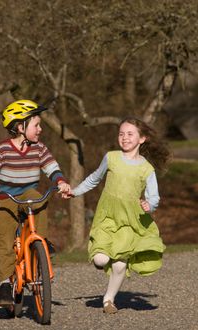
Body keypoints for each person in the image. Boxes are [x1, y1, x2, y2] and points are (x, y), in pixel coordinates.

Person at [71, 117, 170, 314]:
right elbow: (93, 179)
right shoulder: (111, 157)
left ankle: (109, 300)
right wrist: (74, 191)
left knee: (119, 265)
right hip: (107, 217)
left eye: (130, 134)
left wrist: (148, 205)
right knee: (100, 259)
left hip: (129, 222)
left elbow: (154, 197)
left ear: (142, 139)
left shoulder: (146, 168)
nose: (124, 138)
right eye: (121, 134)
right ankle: (105, 260)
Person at [0, 99, 71, 308]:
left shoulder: (39, 148)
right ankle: (4, 285)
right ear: (20, 127)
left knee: (38, 197)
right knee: (6, 237)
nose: (40, 129)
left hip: (26, 194)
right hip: (4, 197)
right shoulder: (1, 149)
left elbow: (51, 167)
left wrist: (61, 182)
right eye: (36, 125)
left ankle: (41, 243)